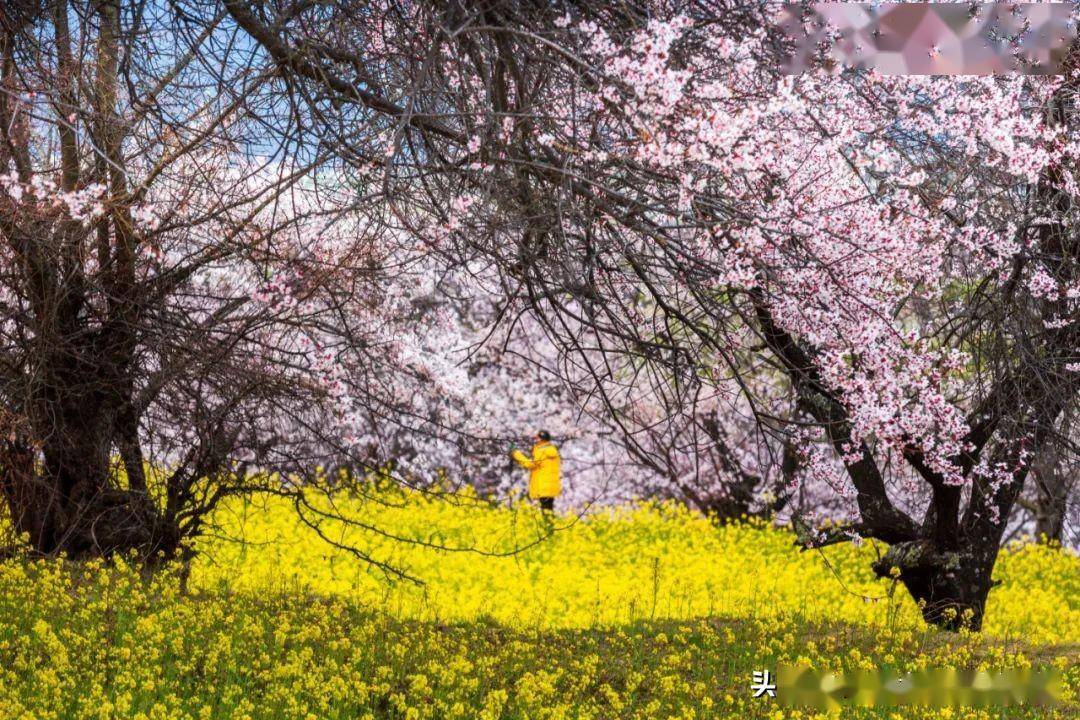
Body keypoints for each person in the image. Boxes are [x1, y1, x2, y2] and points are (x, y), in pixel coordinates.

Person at [510, 430, 561, 512]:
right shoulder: (552, 450)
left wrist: (516, 454)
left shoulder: (542, 451)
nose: (535, 441)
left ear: (541, 439)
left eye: (537, 439)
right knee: (548, 510)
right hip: (551, 487)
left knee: (545, 511)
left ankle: (547, 524)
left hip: (543, 485)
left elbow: (530, 465)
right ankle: (549, 523)